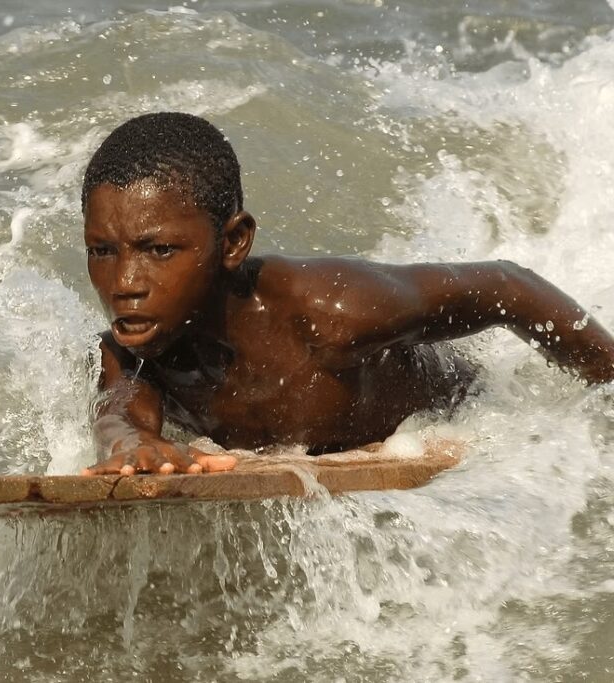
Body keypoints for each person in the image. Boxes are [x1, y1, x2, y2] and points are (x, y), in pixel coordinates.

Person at [80, 112, 614, 476]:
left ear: (234, 242)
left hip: (465, 420)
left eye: (160, 250)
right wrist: (131, 449)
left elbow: (508, 285)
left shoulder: (333, 313)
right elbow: (120, 413)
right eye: (102, 251)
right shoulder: (131, 350)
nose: (125, 283)